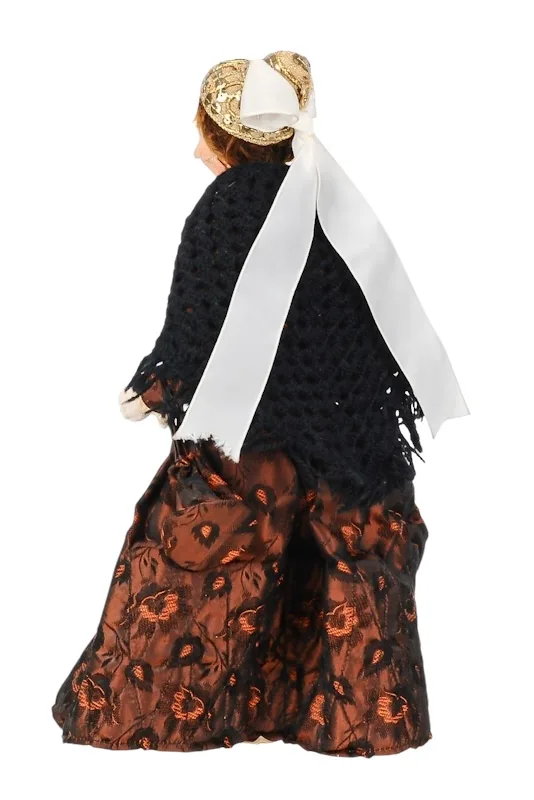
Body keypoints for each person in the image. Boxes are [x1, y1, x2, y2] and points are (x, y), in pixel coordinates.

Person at [51, 51, 468, 757]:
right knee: (335, 566)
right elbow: (364, 324)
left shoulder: (229, 205)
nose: (196, 150)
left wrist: (156, 388)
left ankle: (179, 712)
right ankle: (328, 714)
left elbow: (201, 322)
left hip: (249, 442)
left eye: (202, 133)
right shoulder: (331, 204)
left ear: (226, 136)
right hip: (343, 443)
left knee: (203, 567)